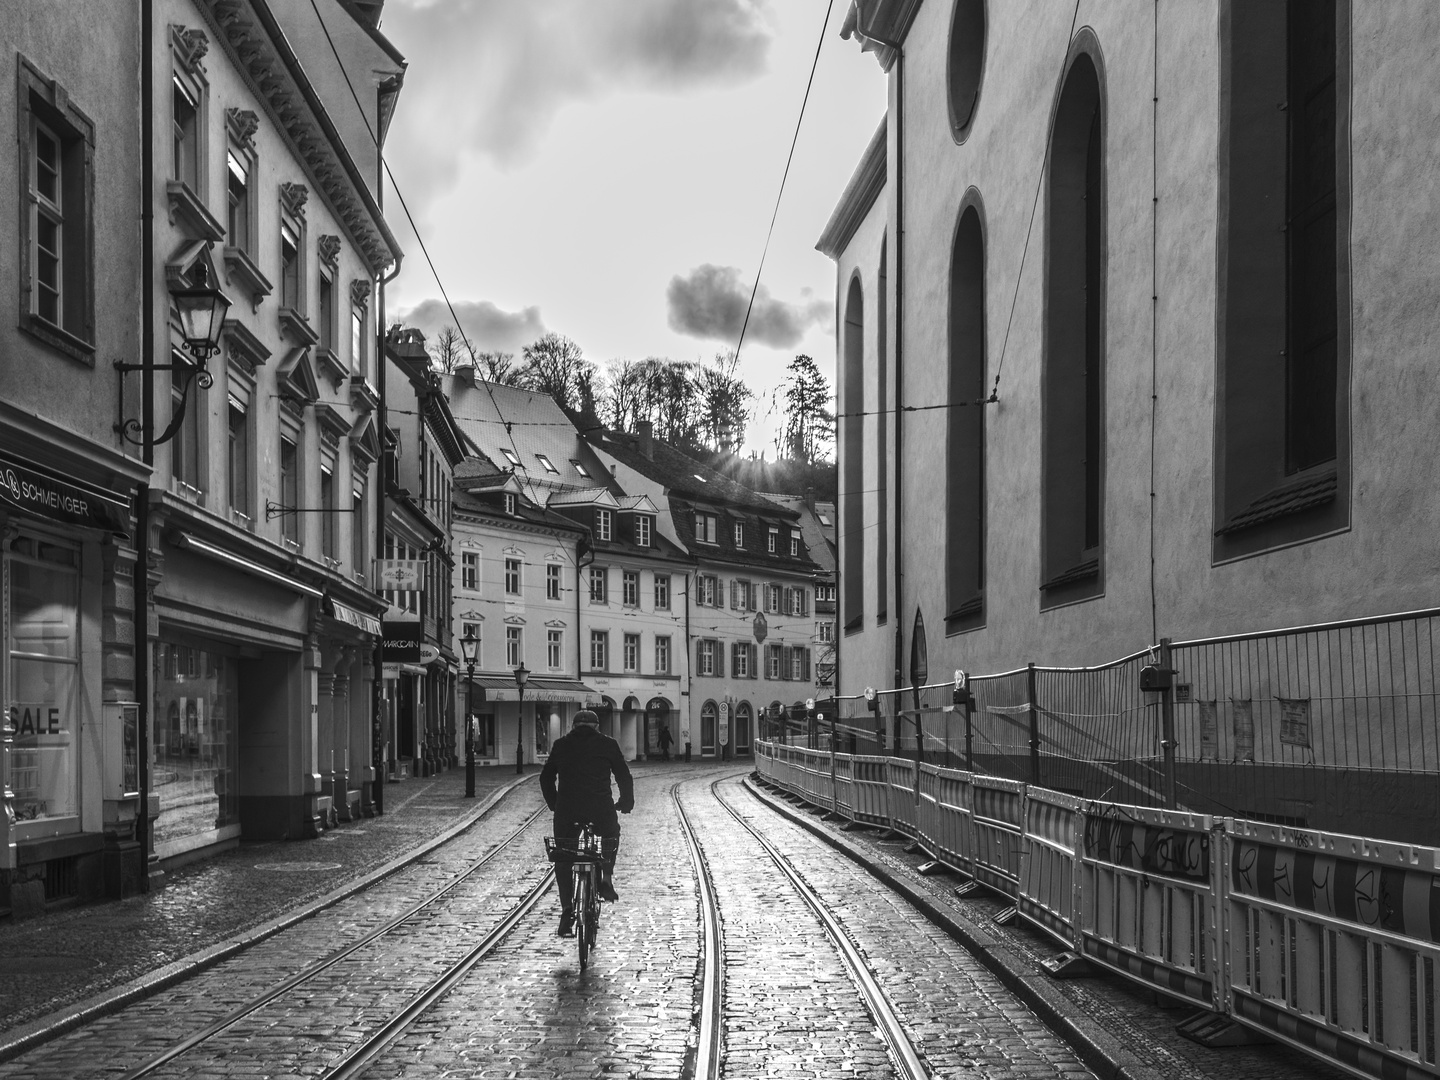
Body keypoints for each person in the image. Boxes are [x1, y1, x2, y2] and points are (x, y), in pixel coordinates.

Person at [540, 708, 634, 937]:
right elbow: (623, 774)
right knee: (610, 836)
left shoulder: (561, 744)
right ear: (596, 727)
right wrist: (626, 802)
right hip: (599, 808)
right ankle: (606, 879)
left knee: (563, 857)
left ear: (573, 726)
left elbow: (545, 778)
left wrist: (555, 804)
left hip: (567, 811)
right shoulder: (607, 744)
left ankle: (566, 911)